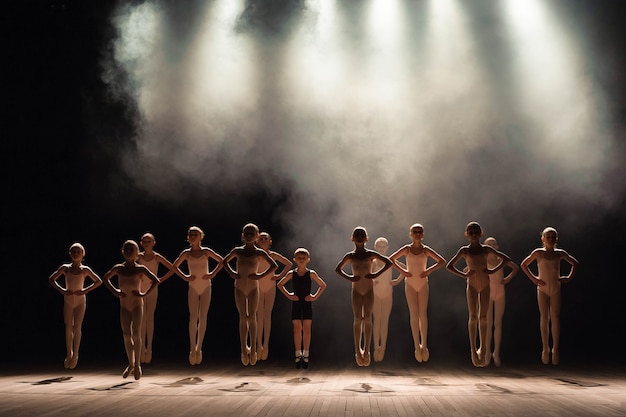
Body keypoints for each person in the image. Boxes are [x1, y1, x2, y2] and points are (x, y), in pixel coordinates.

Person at [446, 222, 512, 367]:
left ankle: (483, 348)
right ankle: (473, 350)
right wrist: (464, 275)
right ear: (467, 234)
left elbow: (506, 260)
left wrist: (493, 270)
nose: (474, 234)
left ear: (481, 233)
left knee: (483, 317)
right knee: (473, 316)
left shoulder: (486, 249)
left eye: (476, 232)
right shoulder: (465, 250)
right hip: (472, 285)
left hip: (485, 285)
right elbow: (449, 266)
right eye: (471, 232)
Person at [335, 226, 393, 366]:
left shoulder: (370, 254)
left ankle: (366, 350)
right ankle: (357, 350)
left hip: (368, 290)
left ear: (366, 238)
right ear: (353, 238)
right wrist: (350, 278)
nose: (360, 237)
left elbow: (388, 262)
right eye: (357, 235)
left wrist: (375, 274)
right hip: (356, 290)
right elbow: (338, 269)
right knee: (357, 319)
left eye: (362, 235)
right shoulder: (350, 256)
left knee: (367, 318)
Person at [520, 227, 579, 365]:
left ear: (556, 239)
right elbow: (524, 264)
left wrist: (568, 277)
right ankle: (545, 348)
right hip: (542, 288)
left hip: (556, 288)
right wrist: (534, 279)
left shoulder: (559, 253)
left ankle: (556, 349)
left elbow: (575, 263)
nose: (551, 239)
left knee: (555, 317)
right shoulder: (538, 253)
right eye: (548, 237)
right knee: (544, 317)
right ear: (543, 239)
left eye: (553, 237)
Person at [222, 223, 278, 366]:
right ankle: (243, 349)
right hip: (239, 287)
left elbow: (274, 265)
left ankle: (253, 349)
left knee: (252, 317)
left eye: (252, 233)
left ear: (257, 236)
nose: (248, 235)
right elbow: (224, 261)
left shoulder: (259, 253)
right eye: (246, 232)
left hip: (253, 288)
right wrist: (232, 273)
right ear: (242, 235)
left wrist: (260, 275)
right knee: (242, 317)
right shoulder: (237, 251)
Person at [103, 240, 160, 379]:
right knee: (126, 334)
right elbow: (105, 278)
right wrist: (115, 291)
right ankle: (130, 364)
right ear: (123, 252)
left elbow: (155, 280)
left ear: (136, 253)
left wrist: (144, 293)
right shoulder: (119, 268)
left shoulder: (140, 269)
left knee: (136, 333)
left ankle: (138, 364)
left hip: (136, 304)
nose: (128, 252)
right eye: (126, 249)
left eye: (131, 250)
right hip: (124, 305)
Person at [389, 224, 446, 363]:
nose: (417, 234)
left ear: (423, 234)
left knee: (423, 314)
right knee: (414, 314)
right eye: (415, 232)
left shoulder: (425, 250)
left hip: (422, 283)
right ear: (411, 234)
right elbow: (390, 259)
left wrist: (429, 270)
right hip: (410, 283)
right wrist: (402, 271)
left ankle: (424, 345)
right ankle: (416, 346)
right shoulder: (407, 249)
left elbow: (442, 261)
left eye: (420, 232)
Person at [168, 226, 223, 366]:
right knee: (193, 317)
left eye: (195, 234)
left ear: (201, 237)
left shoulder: (206, 252)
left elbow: (222, 261)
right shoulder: (186, 253)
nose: (192, 236)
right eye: (190, 234)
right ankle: (192, 348)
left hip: (205, 286)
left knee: (203, 317)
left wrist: (213, 273)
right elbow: (174, 266)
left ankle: (199, 348)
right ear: (188, 237)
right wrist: (185, 277)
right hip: (193, 287)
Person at [48, 243, 103, 369]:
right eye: (73, 251)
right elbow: (51, 279)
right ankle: (69, 353)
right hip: (68, 300)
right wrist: (62, 290)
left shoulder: (85, 270)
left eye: (78, 251)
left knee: (77, 326)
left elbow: (98, 281)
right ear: (70, 253)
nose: (76, 253)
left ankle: (76, 353)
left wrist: (85, 290)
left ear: (83, 254)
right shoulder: (65, 268)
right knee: (68, 326)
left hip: (80, 300)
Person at [278, 248, 327, 369]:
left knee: (306, 329)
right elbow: (279, 284)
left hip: (306, 303)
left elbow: (322, 285)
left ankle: (306, 354)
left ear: (308, 260)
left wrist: (314, 297)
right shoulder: (291, 273)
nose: (301, 260)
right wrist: (289, 295)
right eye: (299, 258)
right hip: (296, 303)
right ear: (294, 260)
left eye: (303, 258)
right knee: (296, 329)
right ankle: (297, 353)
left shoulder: (311, 273)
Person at [137, 232, 177, 364]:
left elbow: (172, 268)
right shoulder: (138, 257)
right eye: (144, 241)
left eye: (149, 241)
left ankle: (149, 348)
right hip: (140, 288)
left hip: (152, 288)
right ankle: (141, 348)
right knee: (141, 319)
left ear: (154, 243)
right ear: (141, 243)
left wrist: (159, 280)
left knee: (150, 317)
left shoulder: (156, 257)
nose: (147, 243)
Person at [255, 232, 292, 361]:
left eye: (266, 238)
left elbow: (288, 264)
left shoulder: (273, 255)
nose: (263, 239)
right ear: (257, 240)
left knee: (267, 315)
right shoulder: (255, 254)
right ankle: (258, 345)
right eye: (261, 238)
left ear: (270, 241)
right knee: (258, 315)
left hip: (270, 286)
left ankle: (265, 346)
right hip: (258, 286)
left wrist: (279, 276)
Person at [482, 237, 519, 367]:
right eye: (488, 244)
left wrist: (507, 278)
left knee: (498, 323)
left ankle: (496, 353)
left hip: (500, 291)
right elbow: (468, 269)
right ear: (485, 247)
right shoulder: (483, 259)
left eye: (493, 244)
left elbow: (515, 267)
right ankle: (486, 354)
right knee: (488, 323)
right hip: (488, 291)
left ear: (497, 247)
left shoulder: (501, 259)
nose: (491, 246)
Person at [371, 237, 403, 362]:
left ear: (387, 248)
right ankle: (375, 348)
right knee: (376, 321)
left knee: (384, 321)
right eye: (379, 246)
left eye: (383, 246)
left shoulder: (390, 261)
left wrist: (397, 280)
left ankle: (382, 348)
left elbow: (405, 269)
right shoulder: (373, 262)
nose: (381, 248)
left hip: (387, 293)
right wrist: (372, 281)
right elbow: (365, 275)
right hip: (376, 293)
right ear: (375, 248)